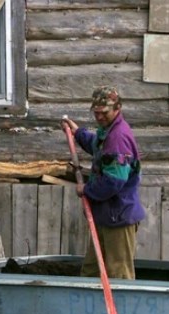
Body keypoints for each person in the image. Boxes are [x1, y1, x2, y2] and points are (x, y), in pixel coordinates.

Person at [60, 86, 145, 279]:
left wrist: (86, 189)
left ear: (118, 108)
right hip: (106, 215)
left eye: (104, 113)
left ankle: (119, 300)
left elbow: (114, 181)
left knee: (118, 274)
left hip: (118, 216)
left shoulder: (118, 138)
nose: (99, 117)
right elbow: (98, 148)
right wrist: (77, 133)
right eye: (96, 113)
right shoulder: (108, 131)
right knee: (92, 270)